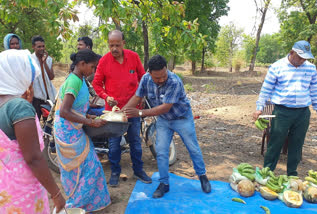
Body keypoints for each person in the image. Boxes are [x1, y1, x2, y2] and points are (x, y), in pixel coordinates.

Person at [123, 55, 211, 198]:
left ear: (167, 69)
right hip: (164, 120)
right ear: (149, 73)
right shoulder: (145, 79)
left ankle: (202, 176)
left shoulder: (174, 81)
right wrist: (122, 113)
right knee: (161, 151)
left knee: (193, 148)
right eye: (157, 78)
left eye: (163, 75)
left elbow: (165, 107)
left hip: (182, 118)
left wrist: (139, 112)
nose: (161, 79)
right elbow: (137, 97)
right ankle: (164, 183)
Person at [0, 49, 65, 213]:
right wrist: (56, 193)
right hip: (22, 190)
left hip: (4, 187)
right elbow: (34, 158)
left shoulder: (7, 103)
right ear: (17, 73)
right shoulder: (19, 107)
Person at [54, 49, 111, 212]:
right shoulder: (74, 82)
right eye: (92, 67)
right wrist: (89, 122)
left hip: (74, 130)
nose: (94, 71)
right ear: (82, 64)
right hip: (68, 133)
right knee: (90, 168)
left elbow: (76, 108)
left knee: (90, 167)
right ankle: (75, 205)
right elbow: (65, 111)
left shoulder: (80, 80)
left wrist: (90, 116)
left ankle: (87, 203)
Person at [92, 30, 152, 187]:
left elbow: (143, 78)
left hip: (133, 109)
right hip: (114, 113)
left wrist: (143, 95)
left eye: (117, 45)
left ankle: (138, 170)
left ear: (123, 44)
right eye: (111, 45)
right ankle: (115, 173)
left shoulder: (133, 57)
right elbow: (96, 84)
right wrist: (106, 96)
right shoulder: (104, 61)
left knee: (135, 142)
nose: (114, 48)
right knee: (114, 144)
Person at [253, 40, 317, 176]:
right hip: (282, 112)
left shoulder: (311, 68)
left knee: (297, 144)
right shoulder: (277, 67)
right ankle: (267, 173)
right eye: (300, 57)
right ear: (291, 52)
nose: (302, 60)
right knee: (275, 143)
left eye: (305, 58)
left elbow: (315, 91)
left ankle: (292, 176)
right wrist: (259, 108)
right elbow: (266, 89)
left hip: (302, 113)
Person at [31, 35, 57, 119]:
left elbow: (51, 77)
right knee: (36, 121)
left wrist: (44, 62)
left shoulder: (48, 59)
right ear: (33, 47)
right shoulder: (30, 60)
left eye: (43, 46)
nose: (41, 48)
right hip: (36, 97)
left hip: (48, 96)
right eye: (39, 47)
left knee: (49, 121)